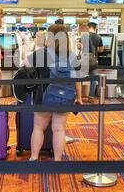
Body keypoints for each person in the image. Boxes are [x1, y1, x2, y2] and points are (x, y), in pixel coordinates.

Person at [27, 24, 82, 161]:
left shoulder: (41, 53)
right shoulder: (72, 56)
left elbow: (26, 66)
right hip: (65, 96)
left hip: (43, 95)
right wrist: (79, 98)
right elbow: (77, 79)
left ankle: (34, 157)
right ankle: (57, 160)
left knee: (38, 127)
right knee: (59, 129)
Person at [80, 22, 103, 103]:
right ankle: (91, 97)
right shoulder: (99, 37)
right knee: (93, 79)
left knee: (80, 78)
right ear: (95, 28)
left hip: (84, 59)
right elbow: (101, 50)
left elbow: (80, 47)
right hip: (93, 60)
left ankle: (79, 96)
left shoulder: (84, 35)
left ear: (88, 27)